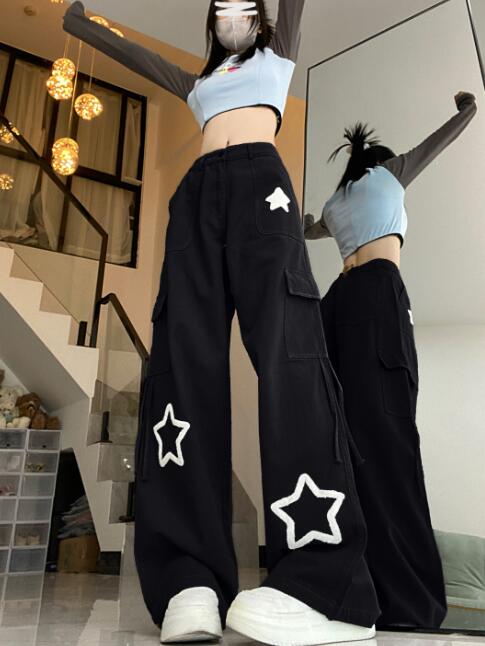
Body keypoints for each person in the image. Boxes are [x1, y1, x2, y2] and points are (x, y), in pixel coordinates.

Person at [63, 2, 382, 644]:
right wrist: (80, 23)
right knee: (180, 368)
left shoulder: (277, 57)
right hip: (196, 196)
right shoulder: (198, 81)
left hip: (264, 187)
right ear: (210, 24)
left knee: (292, 358)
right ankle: (190, 576)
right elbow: (140, 56)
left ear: (261, 20)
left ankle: (327, 586)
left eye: (245, 8)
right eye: (221, 9)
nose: (232, 14)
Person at [304, 91, 477, 629]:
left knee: (338, 440)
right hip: (378, 296)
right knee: (390, 439)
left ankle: (344, 587)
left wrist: (301, 221)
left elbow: (309, 229)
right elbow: (438, 142)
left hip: (335, 303)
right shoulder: (390, 173)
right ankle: (407, 600)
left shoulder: (335, 203)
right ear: (382, 161)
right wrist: (468, 109)